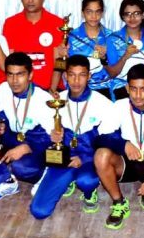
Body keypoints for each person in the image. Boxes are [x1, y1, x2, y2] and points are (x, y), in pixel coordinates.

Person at [29, 55, 114, 219]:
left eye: (82, 75)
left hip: (89, 161)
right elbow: (42, 135)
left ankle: (89, 193)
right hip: (64, 160)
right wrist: (52, 137)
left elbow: (109, 143)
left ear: (89, 76)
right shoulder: (55, 102)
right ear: (65, 76)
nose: (76, 80)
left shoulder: (103, 104)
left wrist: (84, 158)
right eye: (72, 74)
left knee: (87, 180)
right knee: (39, 211)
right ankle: (66, 180)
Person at [94, 64, 144, 229]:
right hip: (127, 162)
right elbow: (98, 139)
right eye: (133, 89)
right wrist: (123, 144)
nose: (138, 95)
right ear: (127, 88)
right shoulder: (118, 106)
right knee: (101, 155)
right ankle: (119, 202)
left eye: (143, 89)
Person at [0, 52, 53, 202]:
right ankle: (9, 182)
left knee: (22, 167)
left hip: (36, 144)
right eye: (10, 74)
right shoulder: (3, 88)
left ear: (30, 75)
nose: (14, 81)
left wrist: (26, 147)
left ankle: (47, 175)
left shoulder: (44, 99)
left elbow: (50, 138)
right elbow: (0, 115)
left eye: (20, 74)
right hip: (14, 137)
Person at [1, 0, 64, 91]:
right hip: (20, 88)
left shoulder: (57, 23)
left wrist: (52, 90)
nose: (30, 0)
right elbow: (10, 60)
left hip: (49, 88)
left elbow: (59, 62)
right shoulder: (11, 23)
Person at [58, 0, 113, 97]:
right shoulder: (72, 36)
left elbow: (115, 70)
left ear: (102, 13)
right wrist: (60, 57)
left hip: (102, 88)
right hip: (75, 87)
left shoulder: (110, 37)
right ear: (83, 13)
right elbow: (61, 64)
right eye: (89, 12)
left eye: (97, 12)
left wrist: (105, 58)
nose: (94, 16)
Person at [105, 0, 144, 100]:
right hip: (121, 85)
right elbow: (112, 73)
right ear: (122, 17)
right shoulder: (113, 39)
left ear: (143, 15)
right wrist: (126, 56)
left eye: (136, 14)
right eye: (127, 14)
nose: (132, 18)